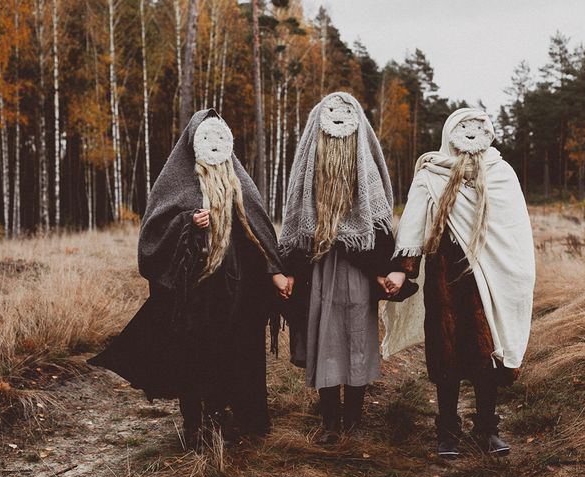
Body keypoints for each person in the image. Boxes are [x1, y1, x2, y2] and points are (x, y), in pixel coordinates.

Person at [89, 109, 290, 451]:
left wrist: (274, 271)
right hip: (192, 292)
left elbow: (257, 229)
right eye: (206, 139)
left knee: (227, 354)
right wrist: (187, 223)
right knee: (192, 355)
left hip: (231, 290)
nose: (212, 146)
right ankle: (193, 424)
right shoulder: (176, 180)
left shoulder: (237, 180)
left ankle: (218, 418)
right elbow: (152, 236)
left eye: (218, 139)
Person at [393, 108, 535, 457]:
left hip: (490, 276)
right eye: (463, 127)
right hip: (446, 275)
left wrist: (518, 274)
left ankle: (487, 429)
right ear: (450, 132)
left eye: (478, 127)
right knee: (447, 355)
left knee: (487, 354)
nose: (471, 134)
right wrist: (403, 268)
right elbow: (413, 222)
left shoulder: (501, 173)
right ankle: (447, 432)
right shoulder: (432, 173)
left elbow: (514, 230)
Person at [280, 92, 405, 444]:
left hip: (358, 268)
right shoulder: (310, 162)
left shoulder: (363, 165)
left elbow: (377, 220)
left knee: (357, 339)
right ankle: (331, 422)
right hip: (320, 265)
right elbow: (296, 216)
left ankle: (352, 420)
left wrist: (381, 268)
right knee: (325, 340)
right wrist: (290, 268)